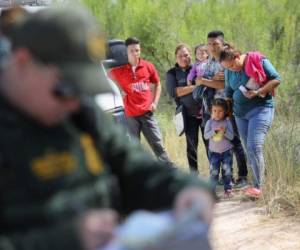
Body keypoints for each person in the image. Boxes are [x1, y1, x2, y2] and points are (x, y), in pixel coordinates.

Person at [0, 7, 215, 250]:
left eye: (83, 90)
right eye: (67, 88)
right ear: (23, 63)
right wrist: (69, 238)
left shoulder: (79, 113)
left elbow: (132, 165)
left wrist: (186, 189)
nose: (74, 101)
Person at [219, 44, 281, 198]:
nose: (232, 69)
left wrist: (258, 92)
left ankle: (259, 187)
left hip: (261, 109)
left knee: (254, 146)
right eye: (228, 68)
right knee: (249, 149)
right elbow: (228, 90)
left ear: (237, 56)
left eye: (233, 65)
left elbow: (276, 79)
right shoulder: (229, 69)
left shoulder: (257, 60)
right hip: (240, 115)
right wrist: (227, 111)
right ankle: (257, 183)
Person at [195, 30, 248, 187]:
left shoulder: (226, 61)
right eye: (209, 44)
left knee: (235, 141)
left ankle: (243, 176)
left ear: (223, 44)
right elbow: (202, 82)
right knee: (216, 141)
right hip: (212, 109)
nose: (212, 47)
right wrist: (206, 80)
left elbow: (224, 85)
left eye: (215, 44)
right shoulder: (209, 62)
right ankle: (225, 176)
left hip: (229, 108)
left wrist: (204, 81)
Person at [108, 37, 173, 166]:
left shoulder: (148, 66)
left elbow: (157, 84)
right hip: (130, 115)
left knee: (158, 145)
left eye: (137, 50)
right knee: (134, 148)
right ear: (126, 52)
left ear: (140, 51)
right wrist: (119, 89)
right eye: (131, 51)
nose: (135, 53)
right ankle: (138, 176)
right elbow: (105, 76)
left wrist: (154, 102)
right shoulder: (119, 71)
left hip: (147, 113)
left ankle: (170, 172)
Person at [166, 43, 209, 173]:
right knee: (191, 146)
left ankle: (215, 176)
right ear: (175, 58)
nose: (184, 58)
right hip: (188, 116)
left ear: (191, 55)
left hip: (205, 113)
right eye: (180, 56)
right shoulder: (172, 73)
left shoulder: (199, 67)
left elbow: (208, 83)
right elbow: (174, 92)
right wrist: (196, 86)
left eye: (186, 55)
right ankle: (194, 176)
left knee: (210, 145)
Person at [204, 98, 234, 196]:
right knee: (214, 172)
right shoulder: (210, 123)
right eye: (214, 111)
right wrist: (214, 131)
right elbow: (206, 136)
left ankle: (228, 189)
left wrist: (224, 131)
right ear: (211, 111)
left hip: (226, 151)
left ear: (225, 111)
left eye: (220, 111)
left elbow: (231, 136)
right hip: (214, 153)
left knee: (227, 171)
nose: (217, 113)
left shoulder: (227, 122)